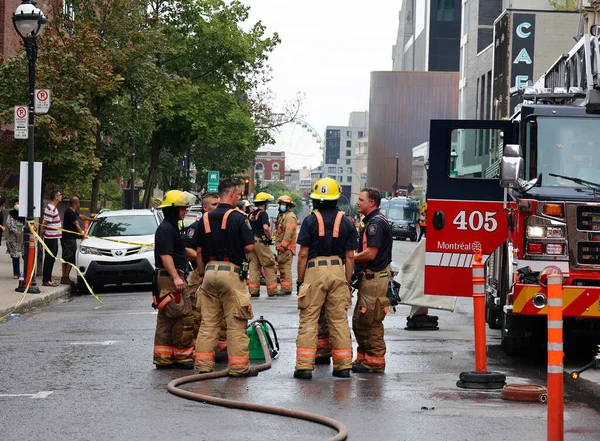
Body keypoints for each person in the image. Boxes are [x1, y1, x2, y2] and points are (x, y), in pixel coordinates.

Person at [293, 178, 358, 380]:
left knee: (309, 319)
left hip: (315, 270)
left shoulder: (310, 220)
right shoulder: (346, 221)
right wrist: (347, 281)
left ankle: (304, 367)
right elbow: (350, 256)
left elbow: (303, 254)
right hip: (338, 270)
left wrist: (301, 280)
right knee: (338, 321)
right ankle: (343, 367)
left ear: (316, 199)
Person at [194, 179, 258, 377]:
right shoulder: (239, 218)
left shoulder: (204, 218)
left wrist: (203, 273)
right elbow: (249, 247)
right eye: (237, 195)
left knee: (208, 323)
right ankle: (239, 368)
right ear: (230, 194)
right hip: (231, 273)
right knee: (236, 321)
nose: (238, 198)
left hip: (209, 272)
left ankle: (203, 366)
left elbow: (198, 252)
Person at [352, 187, 393, 373]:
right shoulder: (371, 221)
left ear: (372, 203)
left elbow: (370, 253)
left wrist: (349, 258)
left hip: (375, 280)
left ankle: (375, 363)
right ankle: (363, 360)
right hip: (370, 280)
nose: (357, 202)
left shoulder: (375, 224)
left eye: (361, 200)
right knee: (361, 321)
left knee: (372, 322)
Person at [152, 190, 194, 369]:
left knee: (166, 319)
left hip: (164, 278)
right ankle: (182, 357)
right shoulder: (167, 229)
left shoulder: (169, 227)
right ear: (172, 209)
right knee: (182, 316)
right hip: (170, 277)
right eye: (182, 208)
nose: (185, 211)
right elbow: (165, 255)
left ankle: (164, 357)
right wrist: (176, 278)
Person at [182, 192, 225, 350]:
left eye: (218, 204)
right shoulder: (197, 226)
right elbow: (187, 248)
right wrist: (204, 261)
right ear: (205, 208)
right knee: (197, 310)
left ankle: (221, 346)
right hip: (201, 272)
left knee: (224, 309)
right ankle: (197, 345)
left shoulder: (224, 225)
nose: (217, 207)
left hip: (221, 272)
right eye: (214, 205)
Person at [247, 192, 278, 297]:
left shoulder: (250, 214)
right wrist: (270, 238)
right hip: (261, 242)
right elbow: (265, 228)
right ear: (264, 203)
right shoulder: (263, 214)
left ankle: (253, 291)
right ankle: (272, 291)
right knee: (269, 264)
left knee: (254, 266)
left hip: (251, 242)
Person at [61, 196, 93, 285]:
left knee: (66, 257)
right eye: (78, 202)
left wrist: (91, 219)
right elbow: (77, 224)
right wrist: (83, 236)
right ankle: (65, 277)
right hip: (68, 239)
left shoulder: (73, 211)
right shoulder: (70, 212)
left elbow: (81, 217)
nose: (79, 204)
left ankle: (64, 276)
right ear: (75, 203)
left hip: (70, 238)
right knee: (70, 258)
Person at [275, 195, 298, 296]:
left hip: (287, 248)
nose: (281, 206)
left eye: (283, 204)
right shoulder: (282, 216)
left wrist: (283, 246)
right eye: (280, 204)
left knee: (285, 268)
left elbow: (289, 233)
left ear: (288, 206)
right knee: (282, 268)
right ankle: (285, 288)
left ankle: (287, 288)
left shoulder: (290, 217)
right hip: (282, 247)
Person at [40, 190, 63, 287]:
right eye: (60, 195)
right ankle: (46, 280)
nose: (61, 196)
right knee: (49, 258)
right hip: (50, 237)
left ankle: (48, 278)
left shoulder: (53, 208)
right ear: (56, 197)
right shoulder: (50, 208)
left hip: (54, 237)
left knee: (52, 258)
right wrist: (41, 236)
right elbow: (44, 223)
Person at [5, 201, 23, 279]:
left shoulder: (23, 215)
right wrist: (14, 230)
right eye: (15, 203)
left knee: (24, 255)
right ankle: (16, 273)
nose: (17, 205)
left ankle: (26, 272)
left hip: (21, 238)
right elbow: (8, 223)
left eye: (18, 203)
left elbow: (25, 224)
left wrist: (19, 231)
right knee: (15, 255)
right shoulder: (11, 213)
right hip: (12, 237)